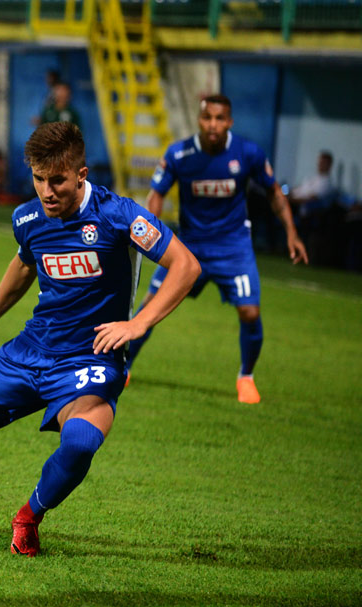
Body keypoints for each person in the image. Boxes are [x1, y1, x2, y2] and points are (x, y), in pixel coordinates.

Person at [0, 122, 200, 556]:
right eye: (38, 178)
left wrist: (138, 324)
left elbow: (185, 265)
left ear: (81, 174)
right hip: (28, 351)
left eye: (57, 180)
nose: (47, 190)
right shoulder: (29, 218)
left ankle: (29, 515)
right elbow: (22, 268)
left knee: (80, 443)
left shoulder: (119, 215)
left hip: (90, 358)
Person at [127, 94, 308, 404]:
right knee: (151, 305)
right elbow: (156, 195)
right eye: (208, 118)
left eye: (219, 118)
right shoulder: (179, 154)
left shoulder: (247, 153)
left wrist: (291, 232)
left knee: (250, 312)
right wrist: (153, 235)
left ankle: (246, 378)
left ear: (230, 122)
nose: (213, 124)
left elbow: (274, 192)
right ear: (199, 120)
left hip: (233, 247)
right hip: (190, 247)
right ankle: (123, 367)